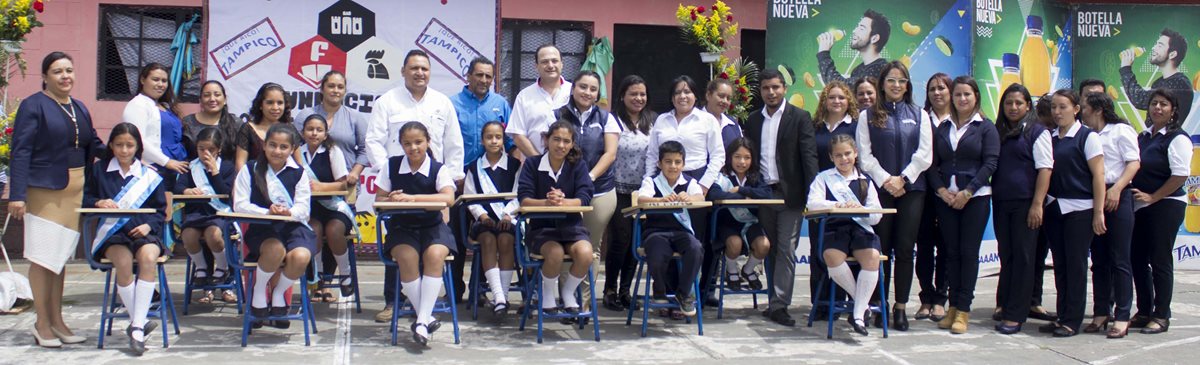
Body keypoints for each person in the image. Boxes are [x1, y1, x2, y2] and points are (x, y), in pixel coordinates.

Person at [11, 51, 104, 348]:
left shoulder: (79, 107)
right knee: (43, 258)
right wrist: (17, 195)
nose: (65, 76)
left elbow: (94, 145)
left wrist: (127, 149)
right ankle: (42, 323)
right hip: (45, 190)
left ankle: (57, 320)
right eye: (57, 71)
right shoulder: (34, 105)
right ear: (45, 76)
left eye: (69, 70)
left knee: (59, 258)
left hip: (75, 190)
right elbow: (21, 151)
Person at [366, 50, 464, 320]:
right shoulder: (387, 102)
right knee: (400, 243)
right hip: (399, 189)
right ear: (403, 71)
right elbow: (374, 141)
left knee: (434, 246)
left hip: (434, 188)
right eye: (414, 68)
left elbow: (454, 144)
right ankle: (392, 301)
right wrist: (390, 174)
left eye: (424, 68)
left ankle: (425, 306)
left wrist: (448, 188)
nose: (420, 73)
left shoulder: (442, 102)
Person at [855, 61, 933, 331]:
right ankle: (880, 305)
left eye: (901, 81)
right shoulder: (868, 116)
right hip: (880, 191)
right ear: (882, 84)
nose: (896, 85)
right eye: (891, 80)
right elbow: (865, 157)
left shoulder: (920, 114)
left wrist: (904, 179)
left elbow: (925, 154)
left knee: (905, 249)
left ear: (907, 85)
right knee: (881, 249)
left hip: (912, 190)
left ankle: (900, 307)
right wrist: (886, 180)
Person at [83, 123, 167, 355]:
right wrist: (98, 202)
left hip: (143, 232)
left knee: (148, 258)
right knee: (123, 262)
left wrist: (148, 225)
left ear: (138, 147)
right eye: (119, 145)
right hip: (113, 236)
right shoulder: (99, 171)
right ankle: (139, 325)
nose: (124, 150)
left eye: (130, 145)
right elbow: (85, 199)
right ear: (111, 145)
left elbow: (160, 211)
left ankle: (136, 325)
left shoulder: (149, 175)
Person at [745, 69, 819, 327]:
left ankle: (780, 305)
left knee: (787, 248)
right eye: (766, 88)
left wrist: (813, 194)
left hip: (791, 195)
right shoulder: (753, 120)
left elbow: (809, 157)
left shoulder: (800, 117)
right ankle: (773, 301)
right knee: (772, 248)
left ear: (784, 88)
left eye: (775, 87)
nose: (771, 92)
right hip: (764, 194)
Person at [373, 122, 458, 346]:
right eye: (407, 143)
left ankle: (420, 321)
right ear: (401, 145)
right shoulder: (391, 166)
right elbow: (379, 199)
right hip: (402, 227)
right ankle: (425, 319)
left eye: (418, 142)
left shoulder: (438, 168)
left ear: (428, 142)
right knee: (407, 257)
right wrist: (391, 198)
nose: (413, 148)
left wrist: (412, 198)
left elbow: (448, 198)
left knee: (435, 255)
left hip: (433, 227)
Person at [928, 76, 999, 334]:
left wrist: (968, 192)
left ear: (976, 96)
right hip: (946, 199)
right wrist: (941, 190)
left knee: (968, 253)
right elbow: (931, 164)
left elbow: (990, 163)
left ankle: (964, 310)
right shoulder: (942, 127)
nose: (962, 99)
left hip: (975, 199)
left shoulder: (986, 128)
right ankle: (952, 307)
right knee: (952, 253)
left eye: (967, 94)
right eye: (957, 94)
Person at [233, 123, 315, 331]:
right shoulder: (250, 169)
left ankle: (279, 293)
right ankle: (259, 290)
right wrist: (267, 212)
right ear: (264, 145)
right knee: (275, 249)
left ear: (292, 149)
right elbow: (239, 204)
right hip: (262, 227)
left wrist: (289, 212)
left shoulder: (299, 173)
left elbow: (304, 209)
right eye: (272, 145)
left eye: (283, 147)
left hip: (292, 227)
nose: (277, 151)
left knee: (301, 256)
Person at [1040, 89, 1105, 337]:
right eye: (1054, 107)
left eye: (1063, 107)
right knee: (1060, 264)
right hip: (1054, 207)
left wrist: (1098, 211)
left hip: (1080, 209)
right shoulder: (1050, 137)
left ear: (1076, 109)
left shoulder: (1087, 137)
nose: (1057, 112)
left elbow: (1098, 175)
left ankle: (1072, 320)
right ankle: (1062, 315)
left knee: (1076, 265)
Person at [450, 56, 513, 308]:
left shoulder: (501, 104)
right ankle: (455, 291)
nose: (484, 80)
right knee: (457, 240)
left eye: (489, 76)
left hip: (495, 182)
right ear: (468, 76)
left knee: (491, 233)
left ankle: (482, 291)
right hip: (459, 182)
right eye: (479, 75)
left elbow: (511, 142)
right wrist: (451, 176)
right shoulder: (452, 104)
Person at [555, 70, 619, 314]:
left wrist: (588, 179)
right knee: (566, 242)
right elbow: (552, 150)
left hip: (600, 190)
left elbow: (610, 154)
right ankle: (566, 299)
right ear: (573, 89)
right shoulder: (557, 114)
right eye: (583, 87)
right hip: (565, 193)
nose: (587, 92)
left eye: (593, 89)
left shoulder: (606, 118)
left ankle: (583, 301)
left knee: (591, 246)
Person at [807, 134, 883, 336]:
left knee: (872, 256)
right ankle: (862, 305)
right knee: (832, 256)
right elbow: (812, 204)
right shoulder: (823, 178)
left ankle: (857, 314)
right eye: (838, 155)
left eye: (847, 153)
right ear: (831, 157)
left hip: (861, 229)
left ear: (855, 153)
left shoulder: (865, 181)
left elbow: (876, 216)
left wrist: (860, 209)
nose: (844, 159)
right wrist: (838, 205)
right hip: (835, 229)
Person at [991, 84, 1053, 334]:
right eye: (1009, 103)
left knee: (1024, 258)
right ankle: (1006, 305)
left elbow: (1045, 169)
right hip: (1002, 203)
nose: (1013, 107)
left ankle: (1016, 315)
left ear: (1028, 106)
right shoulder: (999, 131)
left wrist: (1037, 204)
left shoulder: (1037, 132)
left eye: (1019, 103)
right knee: (1007, 256)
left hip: (1026, 204)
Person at [517, 121, 595, 318]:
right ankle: (548, 292)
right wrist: (547, 202)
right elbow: (524, 199)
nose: (561, 145)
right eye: (556, 139)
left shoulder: (578, 165)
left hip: (572, 227)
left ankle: (568, 292)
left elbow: (585, 196)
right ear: (546, 140)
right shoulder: (532, 164)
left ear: (572, 144)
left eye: (566, 141)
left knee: (586, 253)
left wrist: (563, 202)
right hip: (542, 230)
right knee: (555, 253)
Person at [1080, 92, 1141, 338]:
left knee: (1120, 258)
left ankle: (1122, 315)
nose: (1082, 112)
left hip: (1118, 195)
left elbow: (1133, 163)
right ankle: (1101, 311)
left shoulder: (1120, 130)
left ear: (1097, 110)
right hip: (1095, 196)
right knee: (1099, 259)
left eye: (1085, 107)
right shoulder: (1087, 134)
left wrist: (1117, 189)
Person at [1130, 89, 1191, 335]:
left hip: (1166, 205)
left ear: (1173, 110)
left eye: (1163, 104)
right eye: (1154, 103)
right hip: (1140, 206)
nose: (1157, 108)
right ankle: (1144, 311)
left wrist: (1154, 197)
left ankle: (1161, 315)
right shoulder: (1144, 136)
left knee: (1159, 259)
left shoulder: (1178, 138)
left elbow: (1180, 175)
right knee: (1137, 259)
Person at [605, 75, 656, 311]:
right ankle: (610, 290)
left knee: (636, 241)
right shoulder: (613, 120)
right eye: (633, 94)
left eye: (642, 94)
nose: (638, 98)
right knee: (620, 239)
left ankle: (626, 290)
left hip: (643, 192)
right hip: (617, 190)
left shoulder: (652, 121)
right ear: (622, 96)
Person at [637, 140, 705, 317]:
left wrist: (689, 198)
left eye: (677, 162)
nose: (673, 166)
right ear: (660, 164)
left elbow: (700, 198)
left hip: (681, 232)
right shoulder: (652, 181)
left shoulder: (689, 182)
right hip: (656, 232)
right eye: (668, 162)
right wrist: (660, 200)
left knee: (696, 248)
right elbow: (641, 199)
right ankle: (660, 290)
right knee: (657, 254)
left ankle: (683, 293)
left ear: (683, 164)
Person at [808, 80, 858, 319]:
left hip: (847, 196)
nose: (837, 101)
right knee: (819, 251)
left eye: (841, 97)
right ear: (824, 101)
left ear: (849, 101)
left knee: (841, 249)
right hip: (820, 194)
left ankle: (842, 303)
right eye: (832, 97)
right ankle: (821, 304)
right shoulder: (815, 126)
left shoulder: (855, 126)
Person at [175, 127, 238, 305]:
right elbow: (178, 187)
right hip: (196, 213)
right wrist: (187, 191)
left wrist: (215, 172)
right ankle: (201, 268)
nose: (205, 153)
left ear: (219, 149)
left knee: (214, 235)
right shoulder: (191, 167)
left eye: (211, 149)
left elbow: (225, 194)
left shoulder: (226, 167)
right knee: (188, 235)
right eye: (201, 149)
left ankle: (223, 268)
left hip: (218, 213)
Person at [463, 121, 520, 317]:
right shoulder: (474, 167)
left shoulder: (514, 165)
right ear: (482, 140)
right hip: (484, 222)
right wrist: (483, 215)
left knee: (506, 240)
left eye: (498, 137)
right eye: (489, 137)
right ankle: (498, 295)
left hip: (508, 220)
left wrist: (508, 214)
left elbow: (518, 194)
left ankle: (502, 296)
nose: (494, 141)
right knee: (487, 240)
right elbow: (470, 198)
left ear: (504, 140)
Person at [298, 114, 357, 302]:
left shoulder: (333, 151)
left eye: (319, 130)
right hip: (310, 209)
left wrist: (320, 187)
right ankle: (319, 276)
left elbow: (342, 185)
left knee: (333, 230)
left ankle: (345, 274)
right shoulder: (298, 153)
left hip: (333, 207)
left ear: (325, 134)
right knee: (313, 230)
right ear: (303, 132)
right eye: (310, 129)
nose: (314, 133)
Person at [706, 138, 771, 293]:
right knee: (734, 243)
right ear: (729, 157)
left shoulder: (755, 176)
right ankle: (731, 270)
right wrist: (743, 197)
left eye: (747, 157)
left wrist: (742, 190)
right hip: (727, 224)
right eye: (737, 157)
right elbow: (714, 194)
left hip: (750, 222)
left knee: (764, 245)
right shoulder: (722, 176)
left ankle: (748, 270)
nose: (742, 162)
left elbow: (767, 194)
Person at [293, 71, 368, 193]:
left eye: (340, 87)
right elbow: (294, 146)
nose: (336, 90)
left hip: (345, 184)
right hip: (309, 185)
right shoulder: (306, 115)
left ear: (345, 91)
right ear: (322, 89)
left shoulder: (355, 117)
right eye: (331, 86)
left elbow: (365, 149)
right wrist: (301, 172)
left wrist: (355, 172)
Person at [917, 73, 951, 322]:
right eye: (932, 89)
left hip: (950, 195)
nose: (937, 93)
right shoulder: (921, 118)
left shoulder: (960, 121)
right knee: (924, 247)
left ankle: (941, 299)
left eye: (942, 88)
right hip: (923, 193)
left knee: (947, 248)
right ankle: (926, 298)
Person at [122, 63, 188, 186]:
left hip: (175, 168)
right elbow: (137, 140)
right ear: (143, 80)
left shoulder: (164, 106)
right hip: (155, 168)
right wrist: (166, 161)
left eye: (164, 81)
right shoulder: (137, 105)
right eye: (155, 79)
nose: (160, 84)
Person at [507, 44, 572, 157]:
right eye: (544, 62)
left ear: (562, 64)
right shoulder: (524, 96)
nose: (550, 65)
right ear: (536, 66)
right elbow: (518, 135)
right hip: (534, 164)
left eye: (554, 61)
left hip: (570, 164)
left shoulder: (574, 92)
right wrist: (539, 162)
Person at [1120, 28, 1194, 122]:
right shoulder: (1159, 82)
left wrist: (1126, 69)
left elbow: (1140, 99)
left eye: (1160, 45)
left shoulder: (1180, 83)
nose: (1153, 48)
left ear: (1172, 54)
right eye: (1156, 44)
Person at [817, 9, 892, 84]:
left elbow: (842, 87)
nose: (854, 31)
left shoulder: (880, 69)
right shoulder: (858, 70)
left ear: (874, 38)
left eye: (861, 28)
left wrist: (824, 54)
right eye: (857, 27)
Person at [236, 83, 293, 170]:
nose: (275, 107)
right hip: (253, 177)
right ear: (260, 105)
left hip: (284, 178)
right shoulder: (248, 129)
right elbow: (240, 165)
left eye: (280, 103)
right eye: (270, 102)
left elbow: (299, 165)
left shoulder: (290, 129)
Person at [182, 80, 243, 160]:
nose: (212, 99)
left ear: (225, 100)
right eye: (206, 95)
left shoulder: (236, 123)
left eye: (217, 95)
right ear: (200, 100)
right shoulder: (188, 122)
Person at [704, 78, 743, 148]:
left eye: (728, 98)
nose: (725, 101)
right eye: (721, 96)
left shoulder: (733, 125)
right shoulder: (695, 121)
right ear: (708, 95)